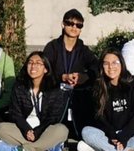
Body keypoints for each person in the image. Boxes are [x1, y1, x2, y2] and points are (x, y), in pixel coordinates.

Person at [78, 50, 134, 151]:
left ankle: (100, 149)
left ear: (122, 64)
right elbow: (100, 118)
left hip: (129, 133)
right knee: (87, 132)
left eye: (115, 62)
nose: (111, 67)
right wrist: (112, 135)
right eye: (106, 63)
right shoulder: (98, 86)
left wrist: (124, 137)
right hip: (107, 134)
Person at [0, 52, 69, 151]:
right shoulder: (19, 86)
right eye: (30, 63)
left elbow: (53, 117)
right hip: (24, 129)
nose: (33, 66)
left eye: (38, 63)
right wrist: (26, 129)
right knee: (1, 129)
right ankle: (47, 147)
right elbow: (15, 113)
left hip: (44, 130)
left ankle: (21, 150)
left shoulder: (54, 89)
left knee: (62, 130)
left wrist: (37, 132)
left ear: (46, 69)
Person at [41, 8, 99, 138]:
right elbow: (43, 71)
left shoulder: (83, 50)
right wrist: (62, 76)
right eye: (70, 23)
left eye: (78, 25)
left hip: (75, 95)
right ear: (63, 24)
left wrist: (84, 77)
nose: (74, 27)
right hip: (54, 93)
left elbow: (97, 67)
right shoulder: (52, 47)